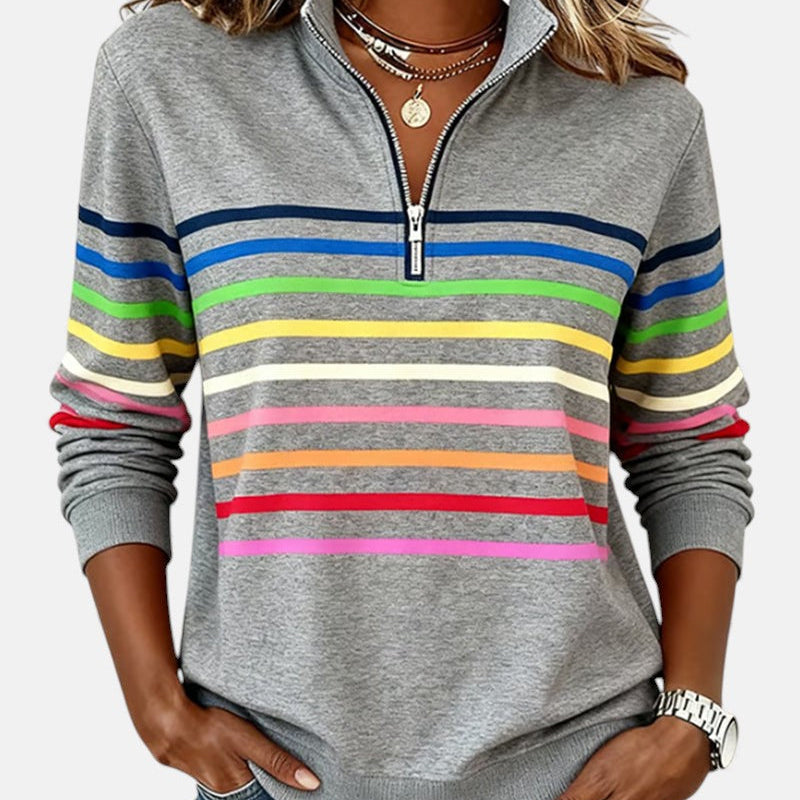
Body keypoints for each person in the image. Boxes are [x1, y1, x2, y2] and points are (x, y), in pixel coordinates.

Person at [46, 1, 755, 799]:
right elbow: (115, 413)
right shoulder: (169, 76)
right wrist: (156, 708)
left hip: (576, 764)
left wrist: (692, 717)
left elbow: (689, 438)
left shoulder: (643, 116)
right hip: (277, 772)